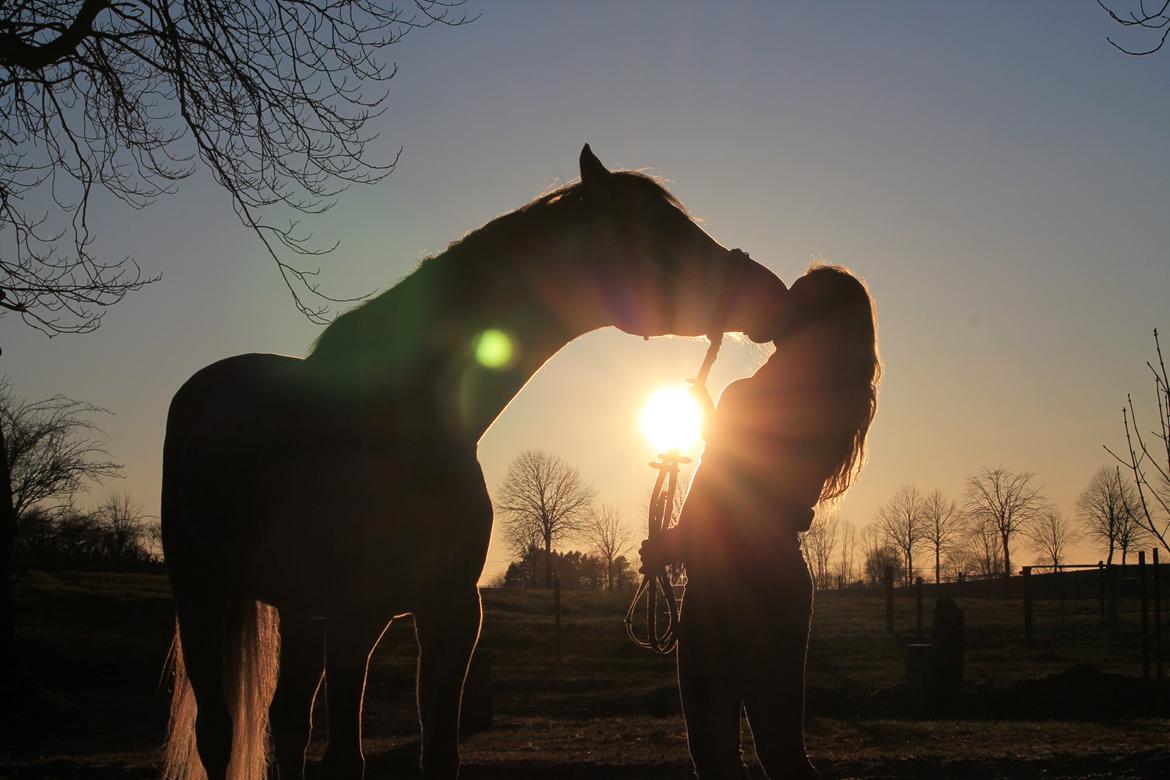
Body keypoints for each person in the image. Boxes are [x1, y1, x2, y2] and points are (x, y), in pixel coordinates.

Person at [641, 265, 880, 780]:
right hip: (763, 582)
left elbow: (733, 485)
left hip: (735, 587)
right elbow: (737, 488)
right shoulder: (827, 402)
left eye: (794, 297)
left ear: (811, 320)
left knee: (727, 757)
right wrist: (679, 540)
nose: (779, 300)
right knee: (776, 755)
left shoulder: (767, 397)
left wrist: (716, 428)